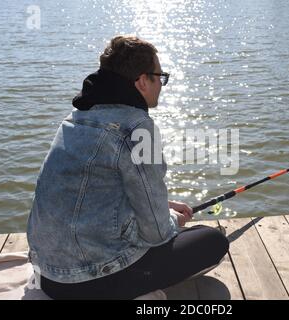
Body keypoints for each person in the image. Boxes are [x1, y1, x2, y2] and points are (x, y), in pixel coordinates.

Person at [26, 35, 229, 299]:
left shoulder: (75, 118)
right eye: (160, 76)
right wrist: (173, 219)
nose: (162, 84)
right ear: (143, 81)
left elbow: (90, 194)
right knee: (211, 241)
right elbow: (157, 233)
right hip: (88, 283)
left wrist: (164, 206)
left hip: (46, 275)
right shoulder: (137, 128)